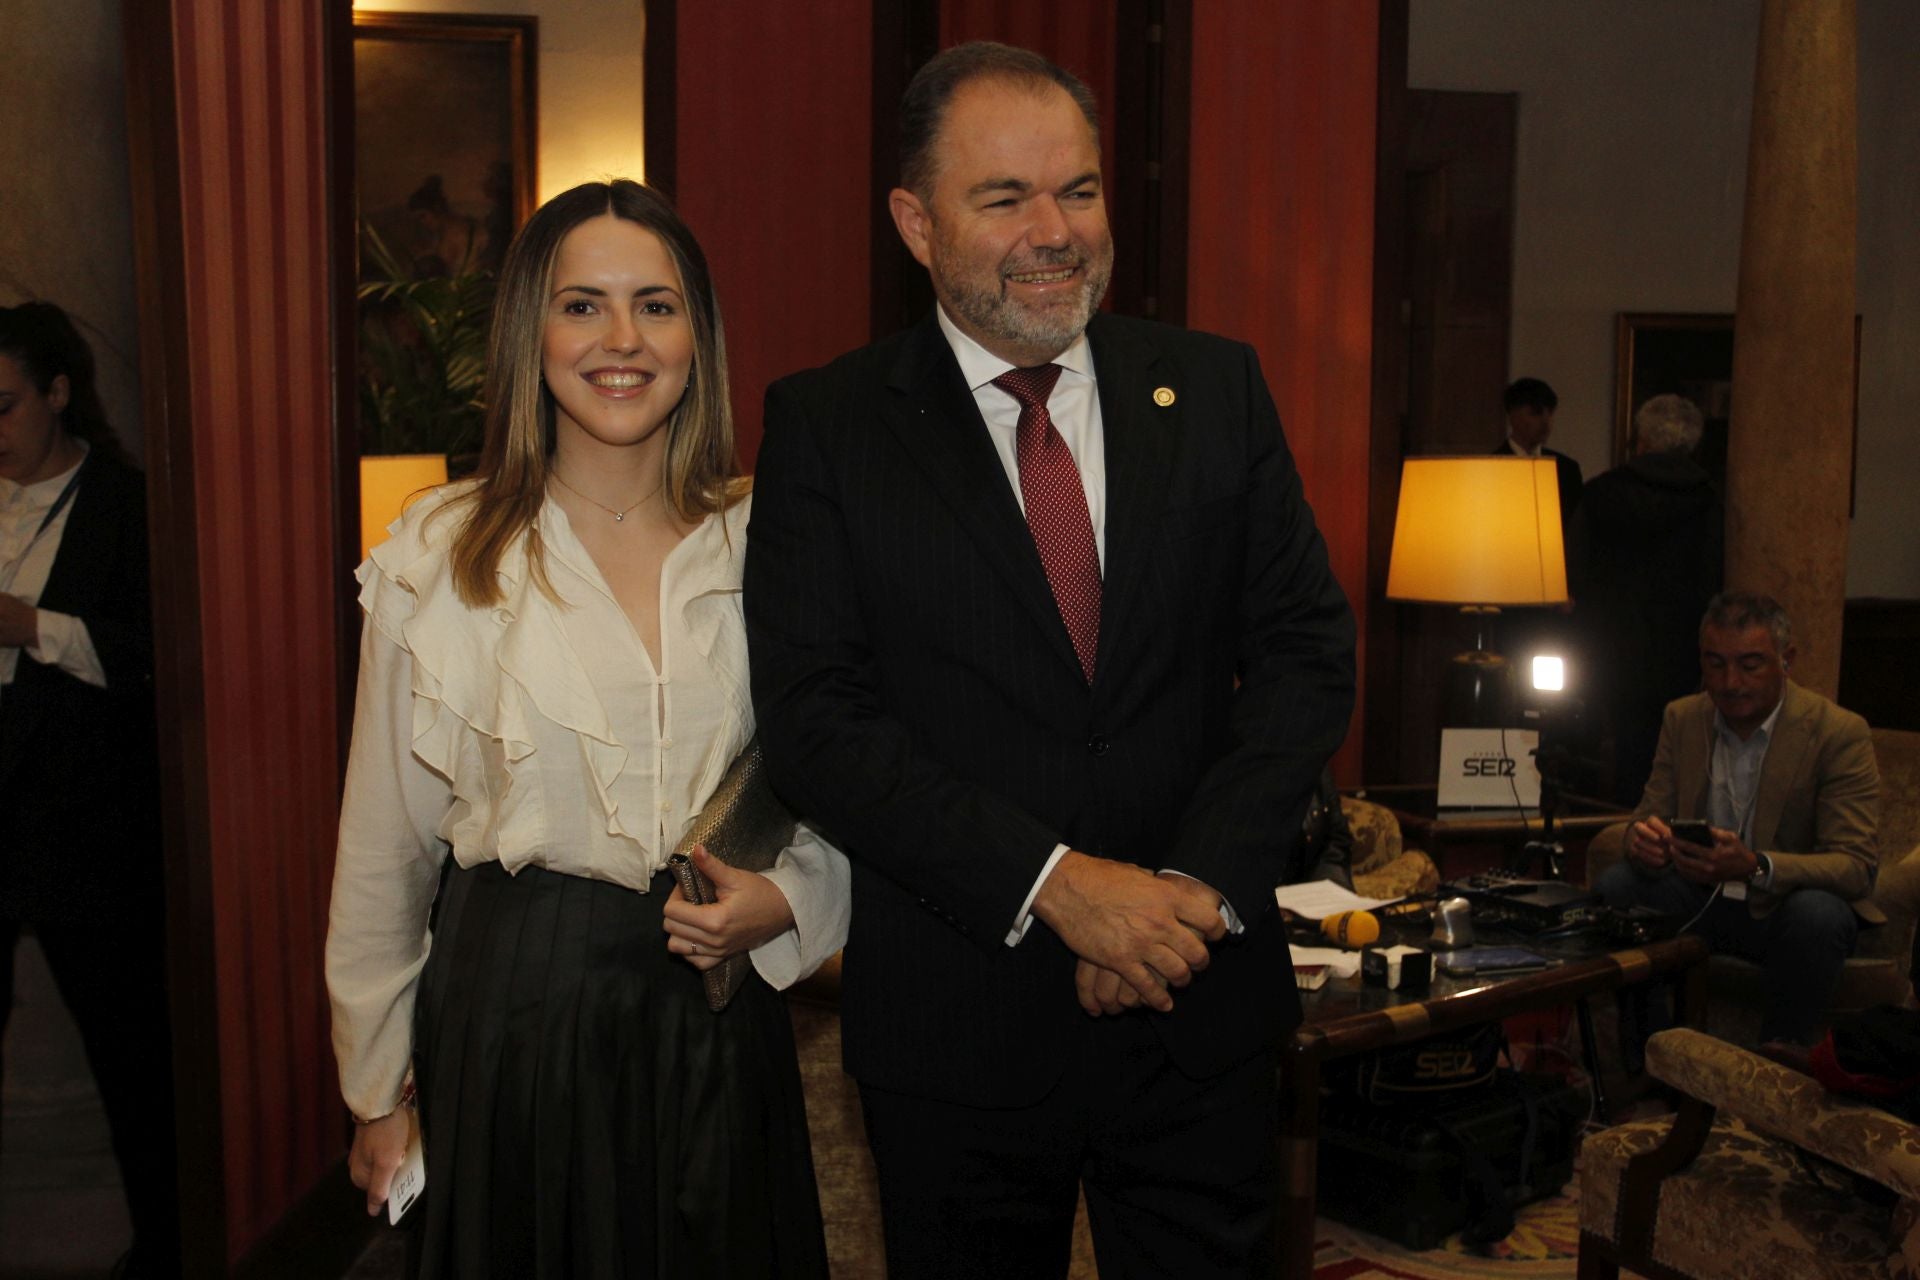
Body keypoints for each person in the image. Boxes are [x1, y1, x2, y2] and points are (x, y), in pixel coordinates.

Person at [744, 42, 1355, 1279]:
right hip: (959, 1024)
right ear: (916, 223)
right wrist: (1061, 886)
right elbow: (819, 721)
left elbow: (1305, 651)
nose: (1055, 232)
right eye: (1004, 197)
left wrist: (1191, 894)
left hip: (1197, 1004)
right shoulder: (830, 424)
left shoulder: (1215, 386)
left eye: (1078, 190)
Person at [326, 180, 847, 1279]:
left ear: (698, 338)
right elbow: (383, 849)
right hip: (517, 1012)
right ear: (532, 331)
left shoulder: (775, 539)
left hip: (717, 1006)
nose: (622, 339)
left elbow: (850, 779)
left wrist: (794, 899)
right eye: (582, 306)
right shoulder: (442, 556)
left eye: (656, 305)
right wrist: (377, 1092)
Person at [0, 301, 179, 1277]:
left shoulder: (124, 503)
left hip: (85, 828)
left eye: (4, 407)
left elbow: (157, 659)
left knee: (129, 1055)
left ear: (59, 392)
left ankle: (165, 1244)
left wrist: (33, 625)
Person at [1596, 592, 1880, 1046]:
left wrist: (1755, 865)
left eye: (1750, 665)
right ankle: (1653, 1056)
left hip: (1782, 906)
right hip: (1699, 895)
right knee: (1617, 886)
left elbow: (1856, 865)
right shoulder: (1683, 718)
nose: (1730, 683)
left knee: (1819, 915)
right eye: (1716, 664)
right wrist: (1641, 839)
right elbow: (1647, 815)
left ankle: (1773, 1067)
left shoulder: (1837, 732)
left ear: (1786, 661)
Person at [1568, 393, 1723, 803]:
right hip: (1681, 648)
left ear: (1640, 439)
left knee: (1615, 755)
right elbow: (1714, 576)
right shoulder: (1708, 500)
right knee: (1677, 753)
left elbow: (1574, 570)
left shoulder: (1602, 493)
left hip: (1609, 644)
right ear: (1691, 444)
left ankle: (1613, 827)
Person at [1496, 376, 1583, 522]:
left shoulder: (1567, 469)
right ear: (1512, 416)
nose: (1546, 421)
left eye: (1550, 413)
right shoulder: (1493, 468)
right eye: (1536, 413)